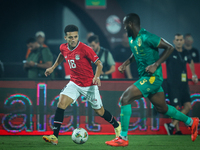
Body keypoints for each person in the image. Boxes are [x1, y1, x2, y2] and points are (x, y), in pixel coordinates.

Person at [105, 13, 199, 147]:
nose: (124, 29)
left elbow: (170, 47)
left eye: (125, 26)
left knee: (125, 98)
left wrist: (156, 64)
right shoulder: (132, 38)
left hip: (153, 78)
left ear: (131, 24)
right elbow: (136, 52)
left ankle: (123, 137)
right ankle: (191, 122)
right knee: (162, 108)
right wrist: (126, 63)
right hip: (145, 77)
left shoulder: (147, 36)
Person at [42, 25, 121, 145]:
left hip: (89, 85)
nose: (73, 39)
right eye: (70, 37)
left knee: (100, 111)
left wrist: (97, 76)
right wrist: (53, 67)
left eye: (75, 36)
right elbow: (62, 54)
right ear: (65, 37)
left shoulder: (85, 49)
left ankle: (116, 125)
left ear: (78, 36)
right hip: (74, 83)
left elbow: (99, 64)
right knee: (61, 103)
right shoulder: (63, 47)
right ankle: (54, 136)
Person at [164, 34, 198, 135]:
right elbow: (159, 60)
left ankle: (171, 126)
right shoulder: (169, 52)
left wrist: (194, 74)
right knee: (176, 107)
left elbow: (191, 61)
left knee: (188, 105)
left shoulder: (186, 52)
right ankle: (177, 130)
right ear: (174, 42)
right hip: (172, 84)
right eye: (177, 40)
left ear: (183, 41)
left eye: (180, 40)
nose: (179, 41)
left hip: (184, 84)